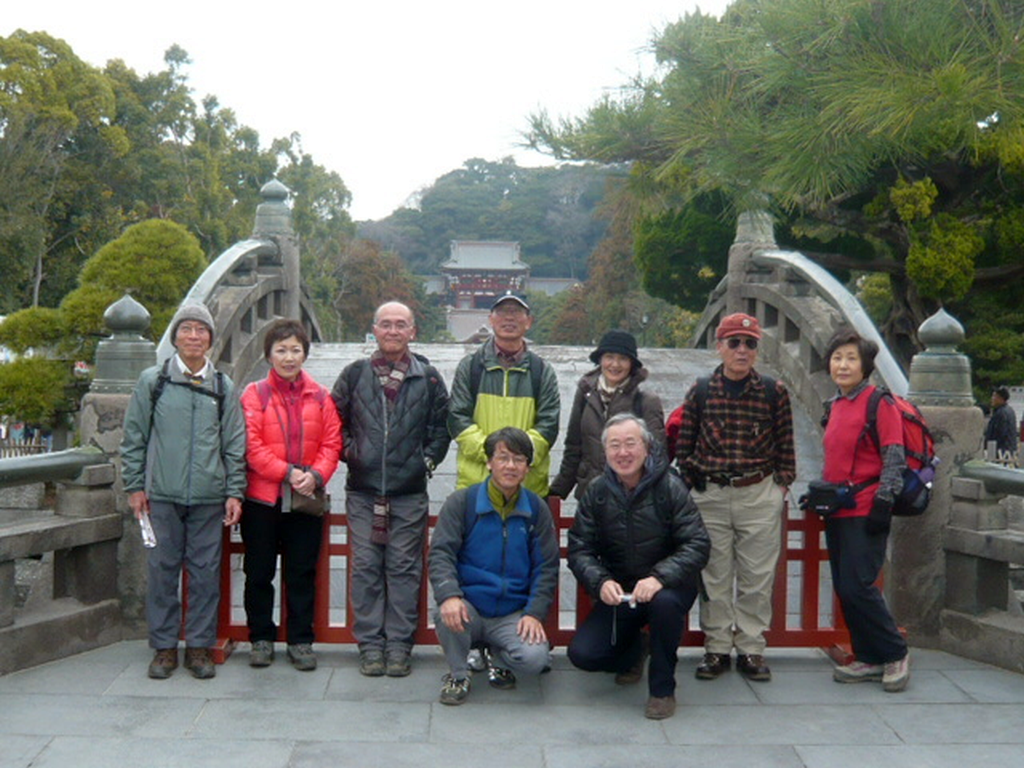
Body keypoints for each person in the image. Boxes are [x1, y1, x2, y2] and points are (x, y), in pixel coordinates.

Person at [121, 302, 246, 680]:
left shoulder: (222, 386)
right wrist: (134, 485)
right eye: (186, 329)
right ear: (175, 336)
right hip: (161, 494)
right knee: (161, 572)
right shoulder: (153, 381)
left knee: (206, 574)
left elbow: (234, 444)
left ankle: (199, 647)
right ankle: (162, 648)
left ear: (211, 338)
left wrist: (234, 491)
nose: (194, 336)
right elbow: (134, 437)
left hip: (209, 497)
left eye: (201, 330)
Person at [331, 301, 451, 677]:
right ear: (375, 330)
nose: (394, 331)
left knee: (403, 567)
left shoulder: (428, 379)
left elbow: (440, 429)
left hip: (408, 490)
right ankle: (370, 644)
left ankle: (399, 644)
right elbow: (334, 421)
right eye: (386, 325)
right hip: (364, 489)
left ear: (413, 331)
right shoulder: (354, 375)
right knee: (366, 566)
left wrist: (425, 462)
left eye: (401, 325)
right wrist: (353, 453)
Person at [675, 312, 795, 682]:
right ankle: (716, 648)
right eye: (734, 343)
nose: (742, 351)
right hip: (710, 492)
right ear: (720, 347)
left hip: (757, 490)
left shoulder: (774, 391)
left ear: (757, 349)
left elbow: (786, 445)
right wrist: (693, 478)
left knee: (757, 576)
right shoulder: (701, 389)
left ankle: (751, 648)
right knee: (714, 575)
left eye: (750, 344)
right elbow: (685, 442)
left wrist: (781, 484)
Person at [568, 414, 710, 720]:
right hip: (622, 591)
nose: (623, 453)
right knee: (584, 654)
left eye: (631, 444)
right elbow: (580, 547)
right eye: (615, 446)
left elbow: (698, 544)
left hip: (668, 587)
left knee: (665, 605)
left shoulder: (670, 488)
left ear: (646, 448)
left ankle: (662, 689)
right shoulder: (597, 491)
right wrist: (600, 581)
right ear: (605, 453)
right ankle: (636, 651)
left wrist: (659, 577)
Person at [428, 427, 559, 706]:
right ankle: (459, 673)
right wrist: (450, 595)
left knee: (535, 658)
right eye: (503, 457)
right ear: (489, 462)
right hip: (470, 607)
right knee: (445, 613)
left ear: (527, 467)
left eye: (519, 459)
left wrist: (534, 613)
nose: (510, 466)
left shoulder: (535, 509)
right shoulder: (463, 503)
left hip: (512, 611)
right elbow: (441, 553)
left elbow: (546, 567)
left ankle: (496, 657)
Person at [239, 319, 342, 672]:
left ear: (305, 354)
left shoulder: (321, 396)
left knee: (301, 572)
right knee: (259, 572)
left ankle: (300, 640)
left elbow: (332, 442)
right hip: (262, 499)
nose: (288, 357)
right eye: (281, 350)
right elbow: (250, 445)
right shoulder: (254, 394)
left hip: (304, 500)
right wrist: (287, 472)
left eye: (295, 350)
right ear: (268, 354)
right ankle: (260, 638)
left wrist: (315, 475)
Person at [818, 327, 911, 693]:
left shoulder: (879, 402)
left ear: (865, 365)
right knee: (844, 586)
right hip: (839, 509)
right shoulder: (835, 404)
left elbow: (894, 456)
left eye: (851, 358)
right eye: (837, 357)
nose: (842, 365)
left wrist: (884, 502)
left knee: (859, 586)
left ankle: (895, 652)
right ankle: (869, 657)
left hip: (867, 507)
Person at [448, 292, 559, 497]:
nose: (509, 318)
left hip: (528, 488)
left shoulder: (541, 371)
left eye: (516, 312)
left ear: (529, 321)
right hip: (476, 486)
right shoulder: (471, 367)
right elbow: (458, 419)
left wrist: (517, 457)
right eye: (502, 312)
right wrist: (495, 455)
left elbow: (549, 425)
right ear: (490, 319)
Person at [550, 329, 665, 501]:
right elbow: (574, 446)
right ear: (600, 360)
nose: (615, 365)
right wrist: (557, 491)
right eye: (609, 357)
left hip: (632, 498)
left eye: (623, 359)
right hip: (591, 494)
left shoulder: (646, 401)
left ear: (632, 364)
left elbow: (658, 454)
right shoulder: (586, 393)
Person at [985, 387, 1018, 465]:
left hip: (1001, 451)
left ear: (1001, 398)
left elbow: (999, 433)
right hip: (1009, 450)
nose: (992, 399)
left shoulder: (1001, 413)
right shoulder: (1009, 410)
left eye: (994, 396)